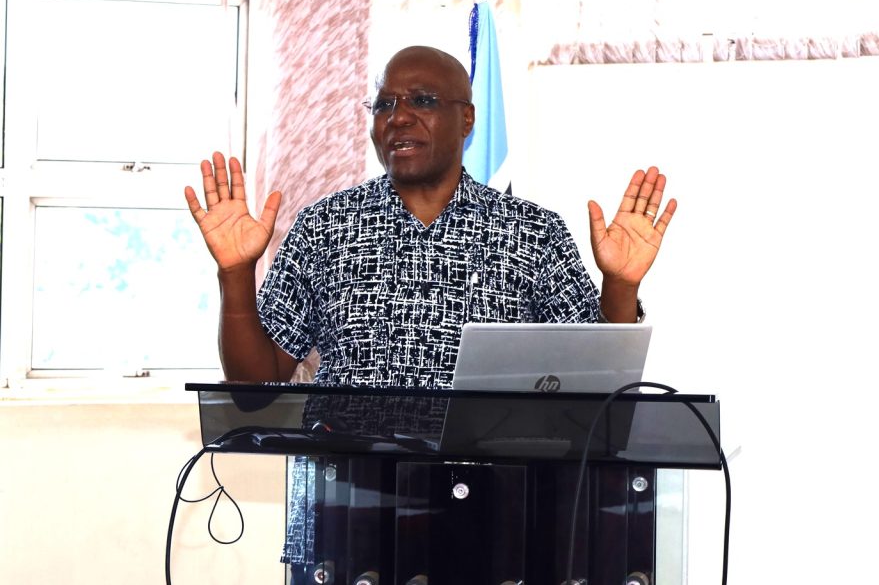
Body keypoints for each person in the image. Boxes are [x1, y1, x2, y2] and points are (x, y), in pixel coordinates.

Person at [184, 45, 676, 580]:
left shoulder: (533, 233)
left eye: (421, 100)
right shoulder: (325, 228)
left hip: (503, 515)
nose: (397, 117)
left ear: (466, 118)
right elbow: (253, 389)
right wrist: (234, 275)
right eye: (383, 104)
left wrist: (620, 285)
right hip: (351, 509)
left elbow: (594, 388)